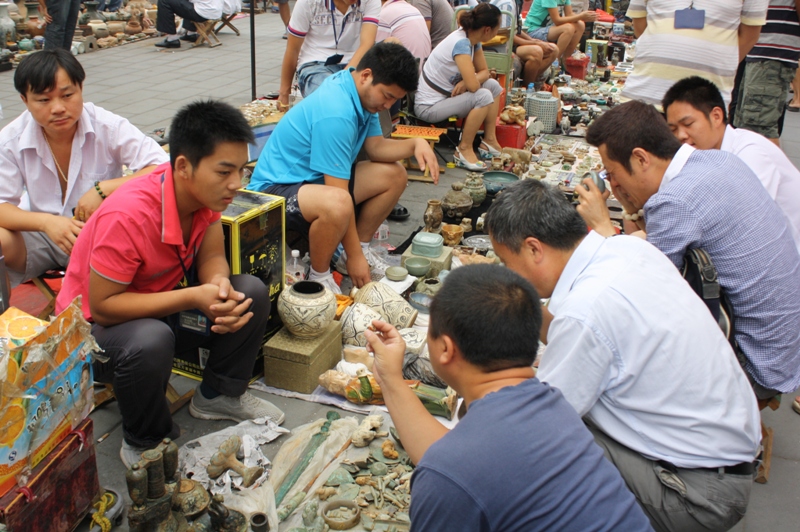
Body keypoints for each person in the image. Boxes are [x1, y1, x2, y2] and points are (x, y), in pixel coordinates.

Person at [486, 179, 761, 532]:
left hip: (699, 496)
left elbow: (540, 423)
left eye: (507, 263)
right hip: (728, 451)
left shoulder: (586, 311)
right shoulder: (628, 250)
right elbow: (585, 331)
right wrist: (516, 300)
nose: (509, 274)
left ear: (534, 249)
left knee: (533, 451)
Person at [55, 99, 285, 468]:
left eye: (241, 170)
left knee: (250, 293)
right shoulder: (128, 215)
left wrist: (220, 290)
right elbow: (103, 307)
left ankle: (217, 395)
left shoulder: (205, 194)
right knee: (149, 341)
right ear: (183, 166)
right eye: (225, 171)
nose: (235, 184)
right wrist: (195, 295)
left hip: (157, 304)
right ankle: (144, 439)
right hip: (93, 338)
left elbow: (212, 257)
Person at [364, 264, 653, 532]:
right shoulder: (554, 405)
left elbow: (452, 474)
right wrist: (391, 379)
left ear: (445, 349)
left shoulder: (448, 478)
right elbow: (455, 465)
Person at [578, 100, 800, 407]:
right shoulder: (719, 161)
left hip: (755, 363)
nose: (613, 182)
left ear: (641, 158)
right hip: (784, 346)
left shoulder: (675, 201)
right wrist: (631, 206)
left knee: (610, 370)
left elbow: (644, 296)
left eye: (614, 172)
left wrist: (604, 226)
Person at [247, 43, 438, 294]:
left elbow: (377, 148)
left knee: (394, 174)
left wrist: (415, 143)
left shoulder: (360, 91)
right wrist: (354, 256)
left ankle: (357, 250)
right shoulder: (336, 112)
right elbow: (339, 196)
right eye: (388, 96)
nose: (388, 105)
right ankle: (320, 275)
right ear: (367, 75)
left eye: (395, 100)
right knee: (337, 203)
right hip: (272, 193)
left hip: (313, 184)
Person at [0, 49, 169, 288]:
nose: (58, 108)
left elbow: (164, 169)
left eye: (67, 95)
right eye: (44, 100)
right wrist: (47, 223)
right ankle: (6, 319)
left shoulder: (108, 126)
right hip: (44, 239)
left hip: (103, 237)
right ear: (25, 100)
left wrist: (103, 190)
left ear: (81, 89)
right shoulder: (10, 140)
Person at [662, 76, 800, 253]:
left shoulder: (750, 153)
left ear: (716, 116)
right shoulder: (707, 155)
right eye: (673, 130)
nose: (681, 135)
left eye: (688, 124)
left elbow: (745, 221)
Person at [623, 0, 768, 107]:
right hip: (644, 96)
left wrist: (716, 64)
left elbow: (749, 36)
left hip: (704, 106)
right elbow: (640, 25)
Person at [415, 3, 504, 171]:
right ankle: (463, 150)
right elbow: (473, 85)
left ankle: (489, 140)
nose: (497, 33)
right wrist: (469, 81)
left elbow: (484, 73)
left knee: (492, 86)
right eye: (496, 29)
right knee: (483, 96)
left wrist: (469, 80)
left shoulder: (472, 39)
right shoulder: (461, 43)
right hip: (429, 106)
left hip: (447, 98)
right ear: (487, 29)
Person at [277, 0, 380, 109]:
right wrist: (284, 92)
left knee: (375, 93)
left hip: (355, 63)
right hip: (315, 64)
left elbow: (367, 43)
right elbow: (293, 49)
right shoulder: (308, 2)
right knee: (331, 97)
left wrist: (343, 80)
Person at [733, 0, 800, 146]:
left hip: (771, 52)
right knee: (747, 126)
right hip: (760, 52)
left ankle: (775, 169)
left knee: (759, 130)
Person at [523, 0, 594, 64]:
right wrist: (580, 16)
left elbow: (569, 14)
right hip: (533, 31)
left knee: (580, 25)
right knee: (568, 28)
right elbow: (557, 21)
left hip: (549, 29)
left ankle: (566, 60)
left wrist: (585, 16)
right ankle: (554, 62)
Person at [377, 0, 432, 66]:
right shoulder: (413, 9)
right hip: (424, 69)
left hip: (407, 71)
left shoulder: (384, 14)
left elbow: (374, 54)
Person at [155, 0, 226, 48]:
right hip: (215, 12)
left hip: (203, 13)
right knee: (187, 4)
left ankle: (172, 39)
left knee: (164, 1)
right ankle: (191, 33)